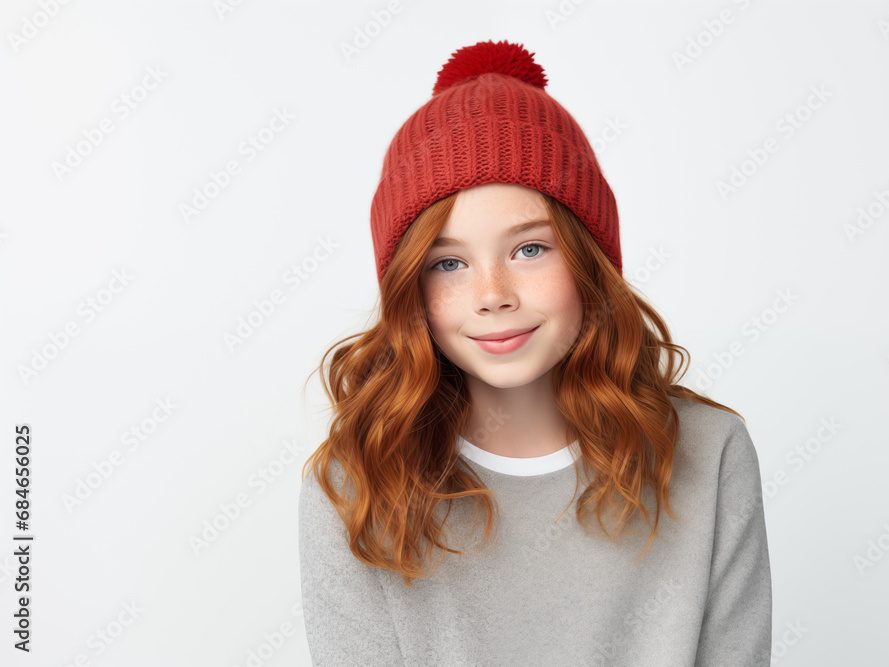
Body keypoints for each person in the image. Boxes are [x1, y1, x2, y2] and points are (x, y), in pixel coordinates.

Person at [298, 39, 772, 666]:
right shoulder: (355, 482)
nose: (492, 296)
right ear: (410, 288)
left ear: (589, 262)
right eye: (449, 262)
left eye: (529, 249)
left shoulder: (710, 454)